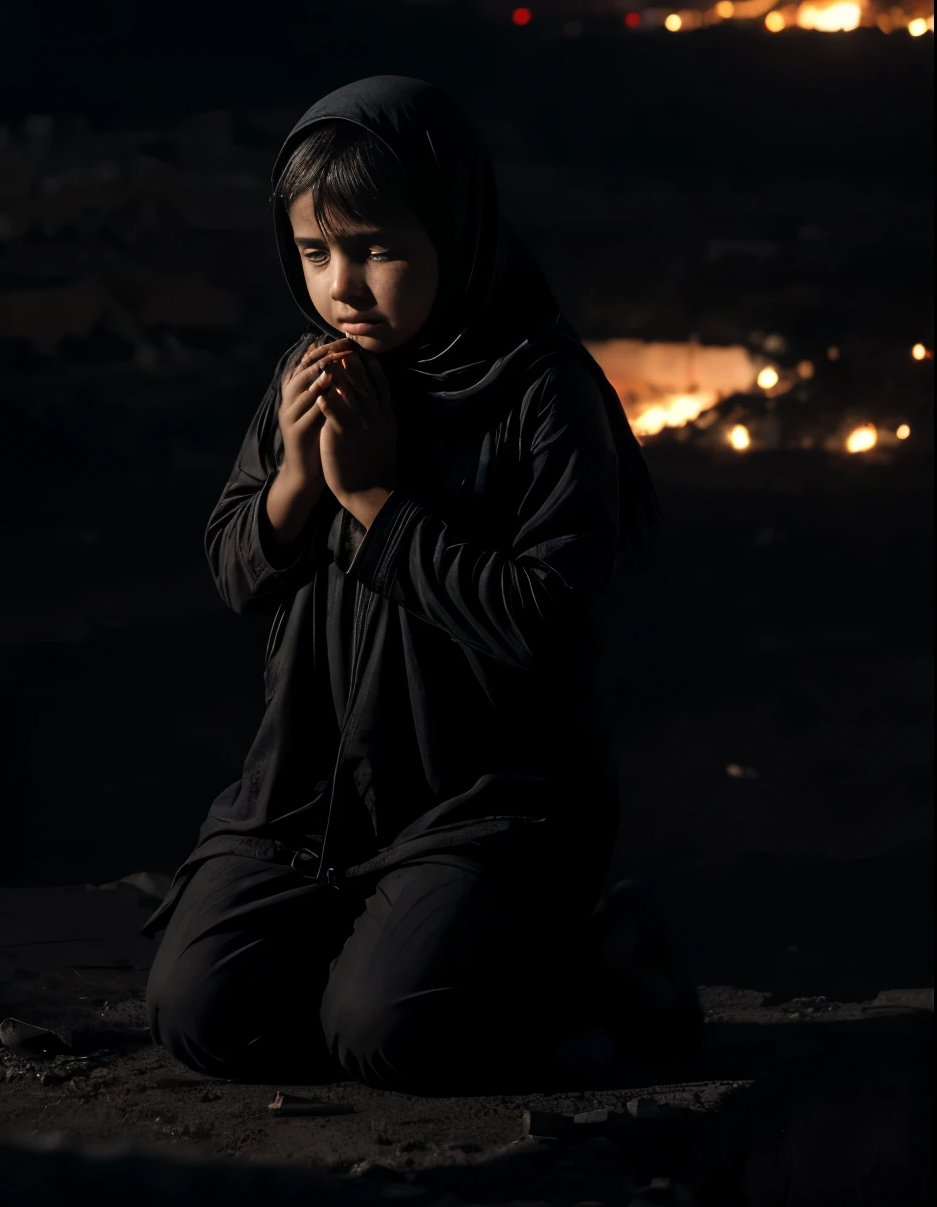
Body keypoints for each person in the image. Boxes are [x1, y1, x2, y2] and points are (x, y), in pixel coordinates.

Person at [143, 75, 692, 1093]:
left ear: (453, 232)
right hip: (305, 797)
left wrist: (373, 500)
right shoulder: (307, 374)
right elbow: (233, 567)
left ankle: (598, 962)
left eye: (376, 248)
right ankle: (391, 949)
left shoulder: (541, 390)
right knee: (196, 1013)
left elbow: (547, 621)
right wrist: (299, 480)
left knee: (384, 1033)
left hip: (482, 800)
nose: (342, 285)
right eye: (315, 252)